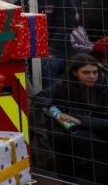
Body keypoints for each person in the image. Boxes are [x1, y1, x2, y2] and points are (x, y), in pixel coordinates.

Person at [35, 53, 108, 184]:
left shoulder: (104, 89)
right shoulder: (64, 84)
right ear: (75, 73)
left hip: (99, 136)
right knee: (60, 136)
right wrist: (56, 112)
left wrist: (80, 120)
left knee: (83, 139)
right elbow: (41, 97)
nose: (92, 77)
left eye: (95, 72)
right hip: (72, 139)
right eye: (86, 72)